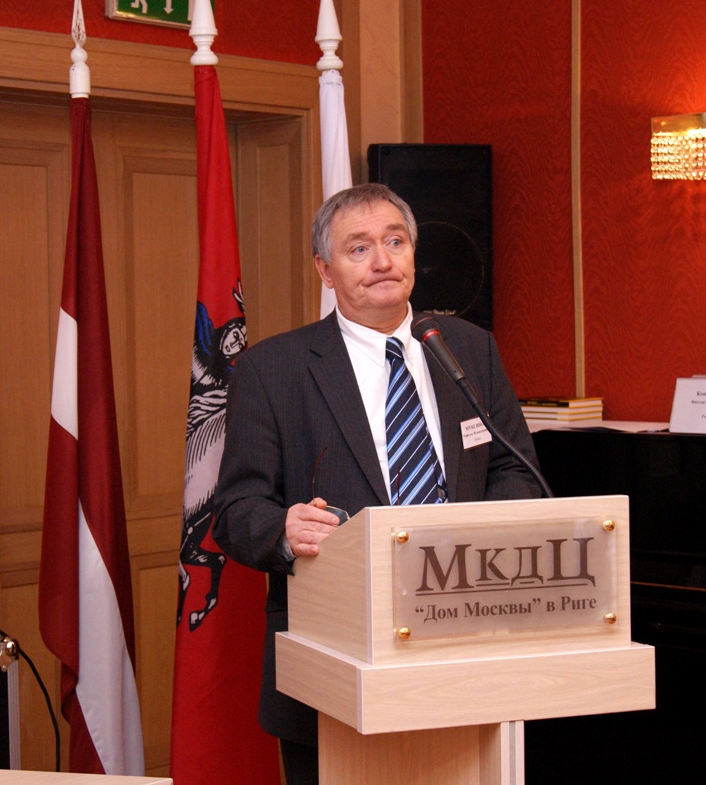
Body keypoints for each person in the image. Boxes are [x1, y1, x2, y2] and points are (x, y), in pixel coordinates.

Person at [212, 183, 542, 784]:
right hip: (333, 661)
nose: (383, 261)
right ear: (325, 270)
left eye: (395, 242)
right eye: (359, 248)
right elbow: (236, 510)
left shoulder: (469, 349)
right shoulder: (274, 368)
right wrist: (283, 529)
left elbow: (517, 471)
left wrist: (471, 542)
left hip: (465, 646)